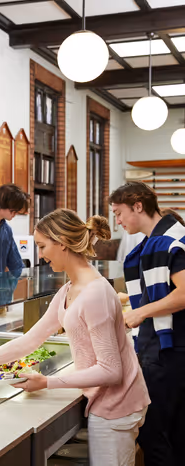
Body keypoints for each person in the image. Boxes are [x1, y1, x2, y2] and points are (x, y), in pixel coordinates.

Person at [0, 209, 150, 466]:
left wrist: (47, 382)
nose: (40, 254)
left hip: (117, 405)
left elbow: (111, 370)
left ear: (62, 243)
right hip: (108, 402)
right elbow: (31, 339)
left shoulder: (95, 294)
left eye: (42, 246)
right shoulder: (69, 289)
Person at [110, 182, 185, 466]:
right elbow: (165, 286)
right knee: (176, 435)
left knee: (154, 434)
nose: (117, 221)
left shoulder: (166, 241)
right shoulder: (163, 238)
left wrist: (140, 313)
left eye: (119, 213)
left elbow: (184, 292)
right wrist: (131, 298)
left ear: (137, 205)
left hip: (169, 353)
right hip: (170, 352)